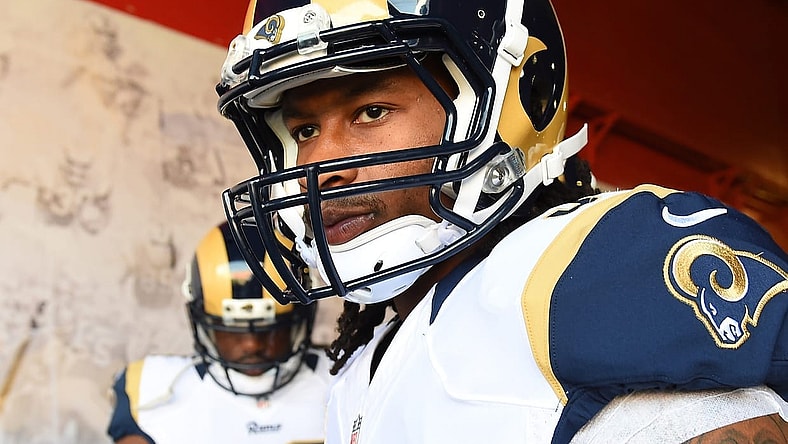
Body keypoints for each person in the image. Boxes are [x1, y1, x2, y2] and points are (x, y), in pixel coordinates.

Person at [215, 0, 788, 442]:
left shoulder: (583, 276)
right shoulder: (372, 351)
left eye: (370, 112)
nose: (320, 166)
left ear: (515, 104)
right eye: (305, 130)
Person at [107, 221, 331, 443]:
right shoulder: (154, 390)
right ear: (201, 321)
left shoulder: (342, 377)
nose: (252, 345)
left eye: (269, 331)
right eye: (234, 331)